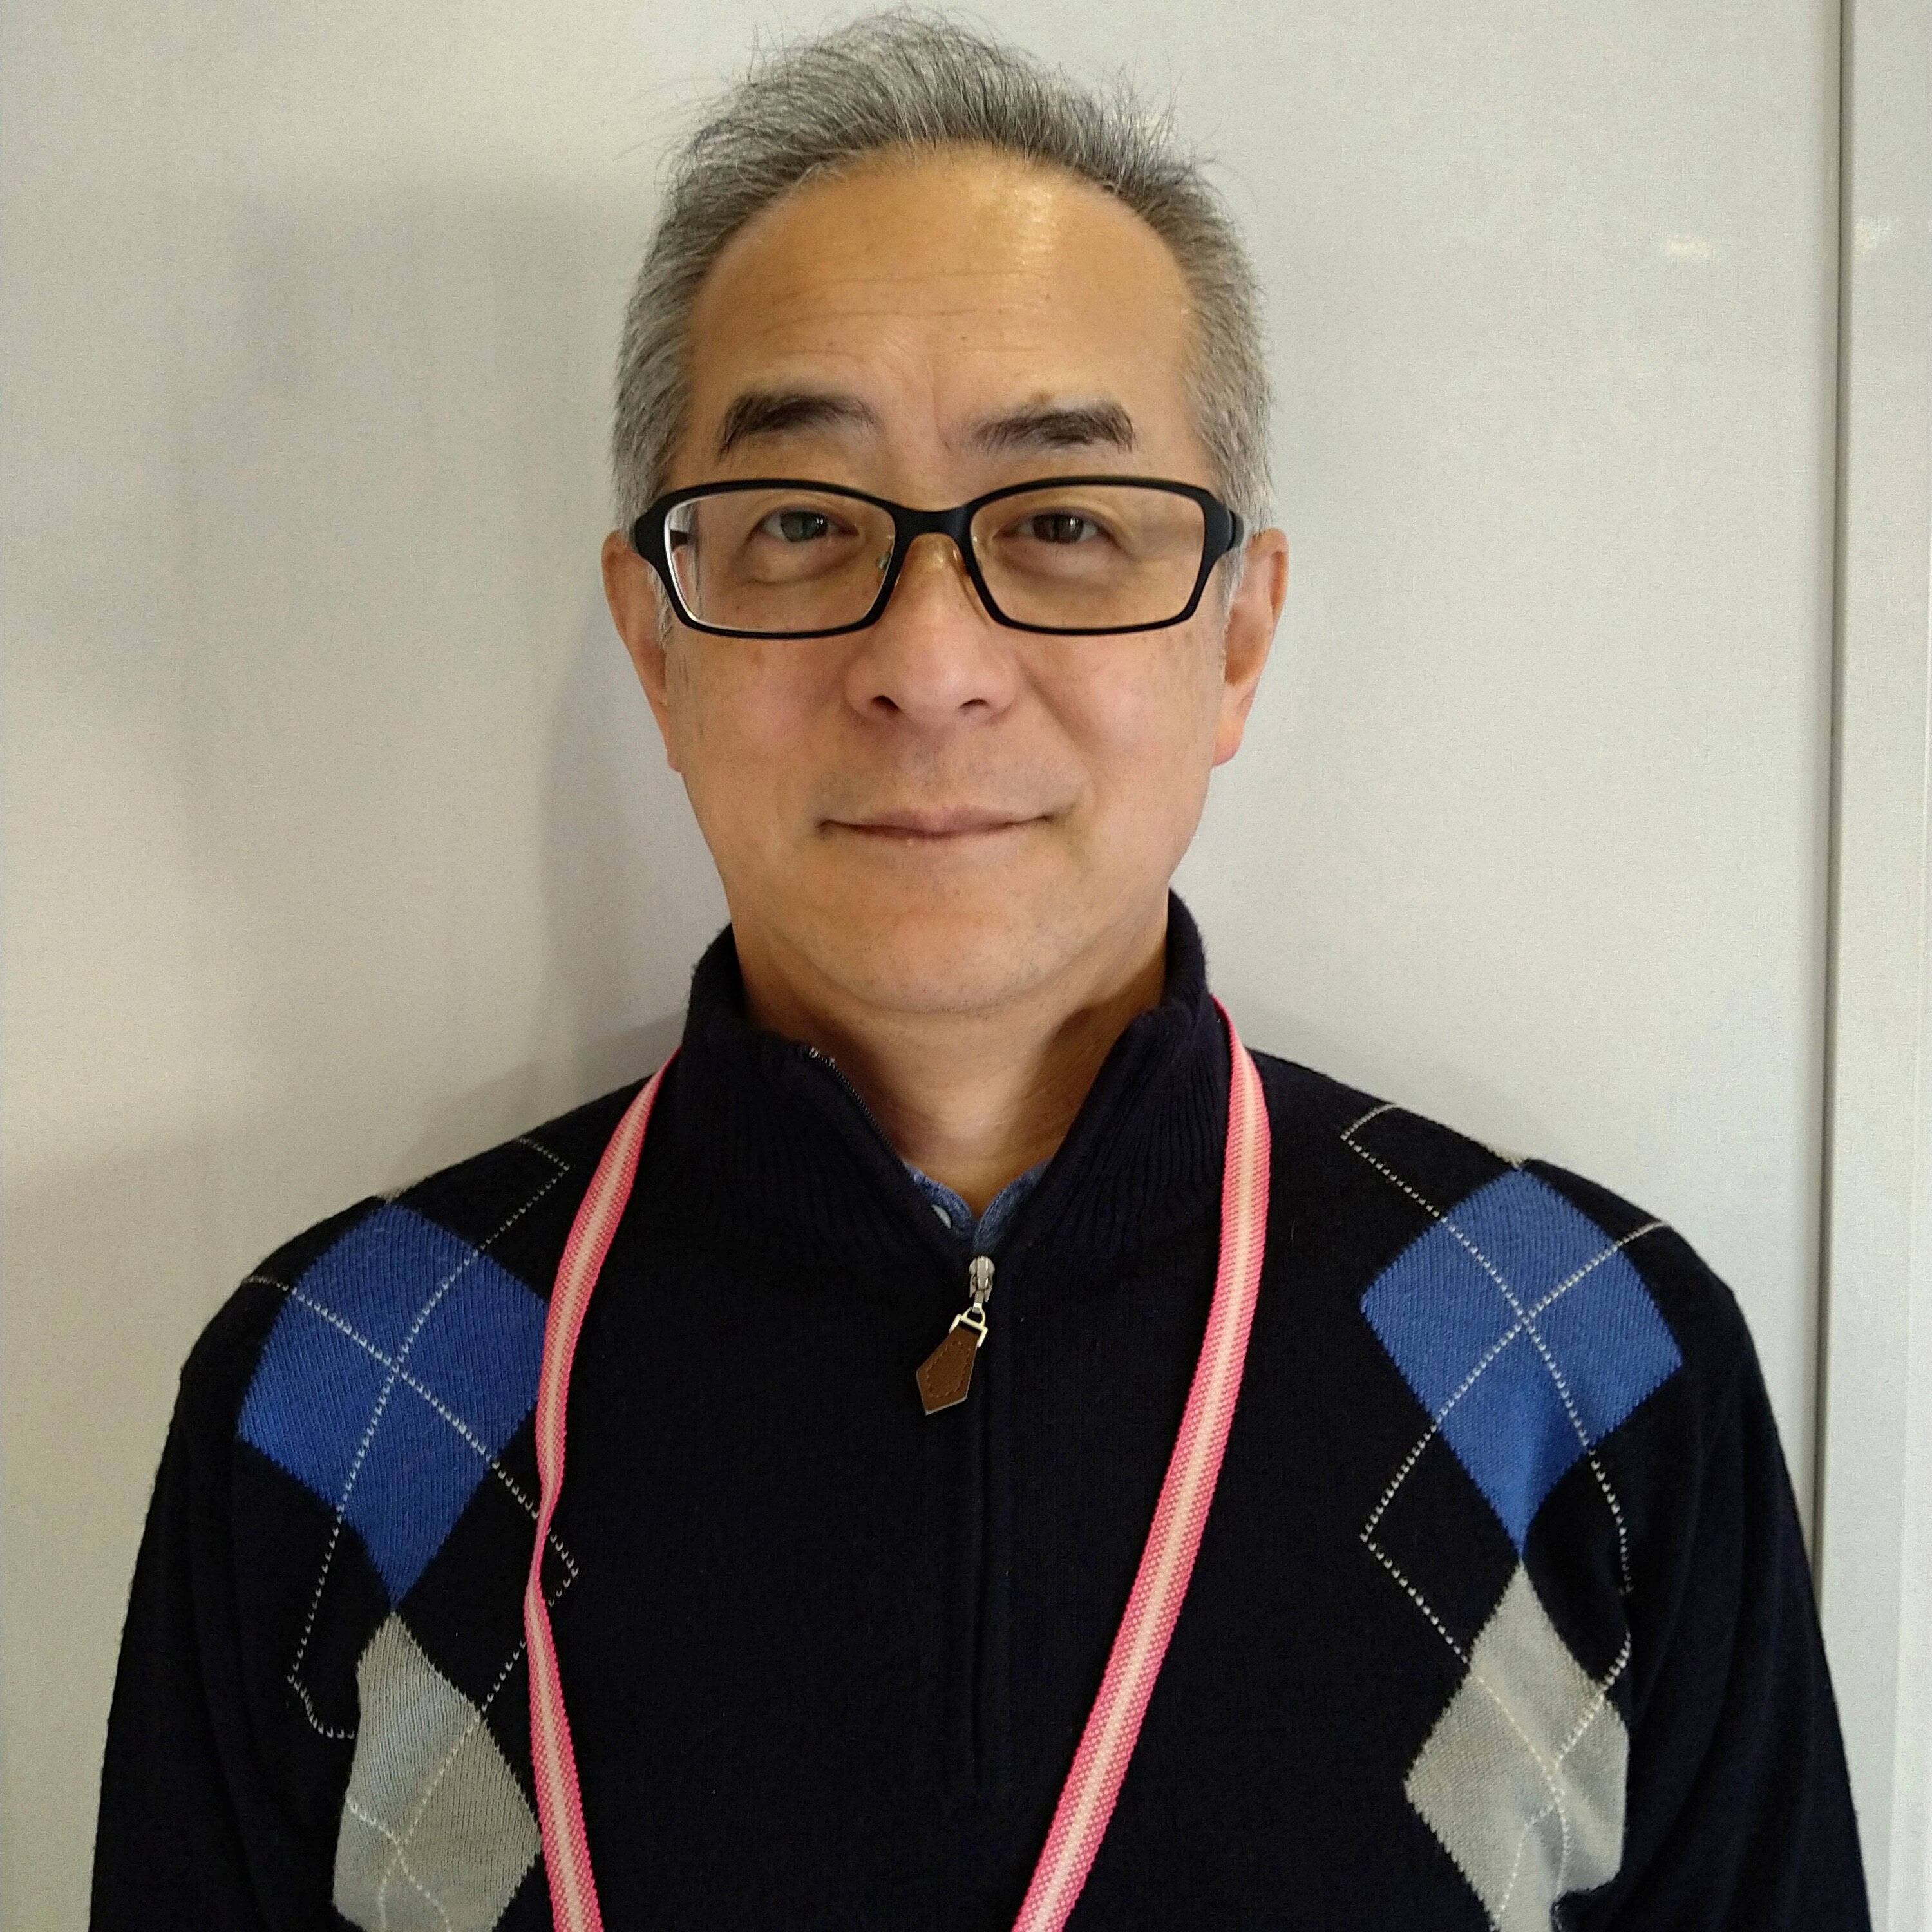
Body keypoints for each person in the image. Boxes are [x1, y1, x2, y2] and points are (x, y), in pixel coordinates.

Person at [92, 14, 1868, 1931]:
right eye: (797, 522)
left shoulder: (1581, 1376)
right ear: (655, 642)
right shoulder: (348, 1389)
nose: (930, 666)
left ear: (1237, 642)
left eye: (1066, 523)